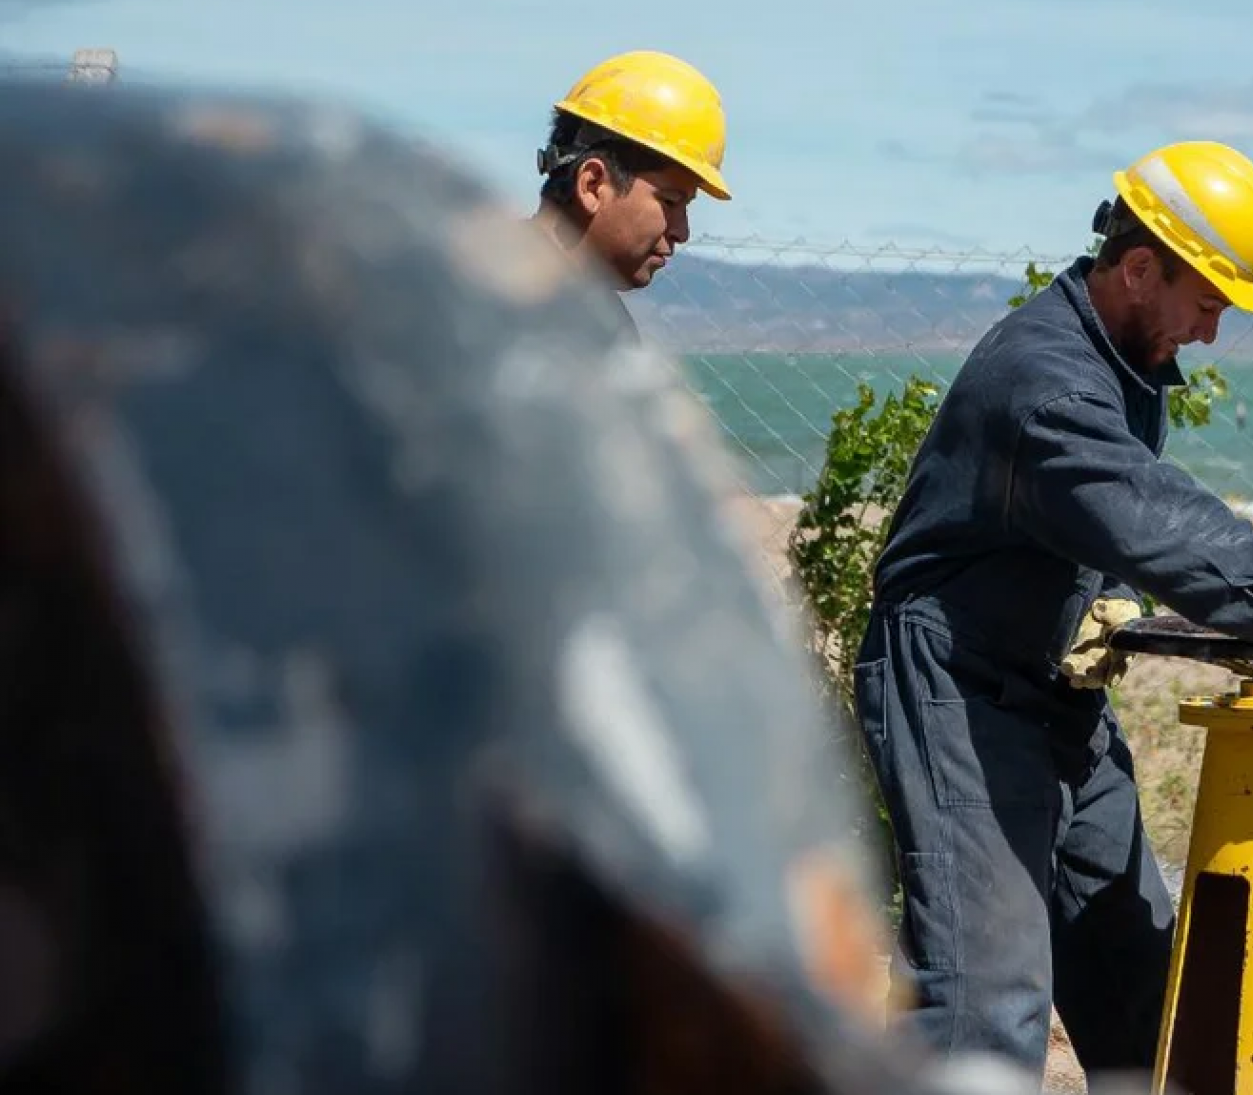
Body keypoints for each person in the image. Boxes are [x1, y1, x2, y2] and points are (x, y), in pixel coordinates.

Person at [0, 75, 1063, 1095]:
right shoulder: (478, 317)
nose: (681, 233)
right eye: (672, 200)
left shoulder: (548, 314)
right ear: (595, 180)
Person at [853, 141, 1253, 1082]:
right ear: (1141, 268)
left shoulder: (1119, 357)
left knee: (1139, 976)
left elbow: (1096, 527)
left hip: (1052, 684)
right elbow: (1151, 516)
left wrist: (1107, 599)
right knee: (986, 995)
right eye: (1207, 304)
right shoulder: (1048, 382)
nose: (1211, 334)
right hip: (956, 685)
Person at [533, 49, 733, 338]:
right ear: (592, 185)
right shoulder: (503, 305)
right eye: (670, 202)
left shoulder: (595, 317)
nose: (682, 232)